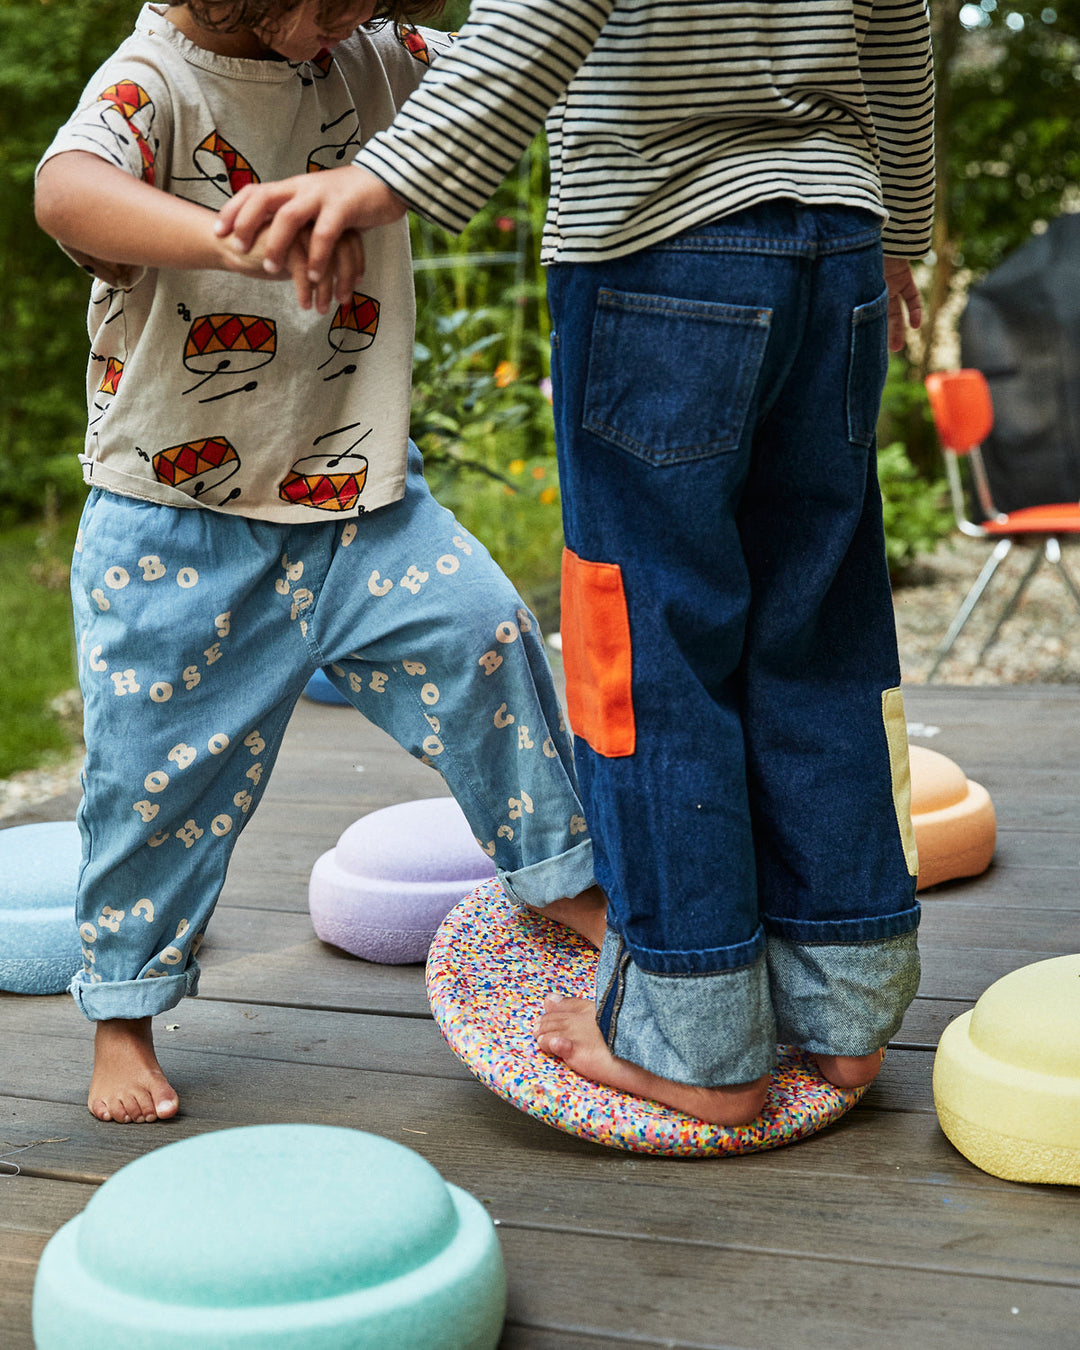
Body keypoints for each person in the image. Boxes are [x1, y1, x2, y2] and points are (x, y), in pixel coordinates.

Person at [217, 0, 935, 1127]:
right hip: (835, 240)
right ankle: (847, 1006)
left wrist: (377, 178)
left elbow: (543, 10)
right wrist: (900, 232)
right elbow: (897, 30)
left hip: (665, 245)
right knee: (818, 630)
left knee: (646, 649)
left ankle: (695, 1039)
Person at [34, 0, 603, 1126]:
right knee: (152, 782)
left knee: (486, 638)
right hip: (173, 527)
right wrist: (229, 231)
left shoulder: (374, 59)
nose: (356, 16)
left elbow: (514, 64)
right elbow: (66, 190)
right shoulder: (158, 78)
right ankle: (123, 1017)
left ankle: (563, 884)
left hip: (361, 504)